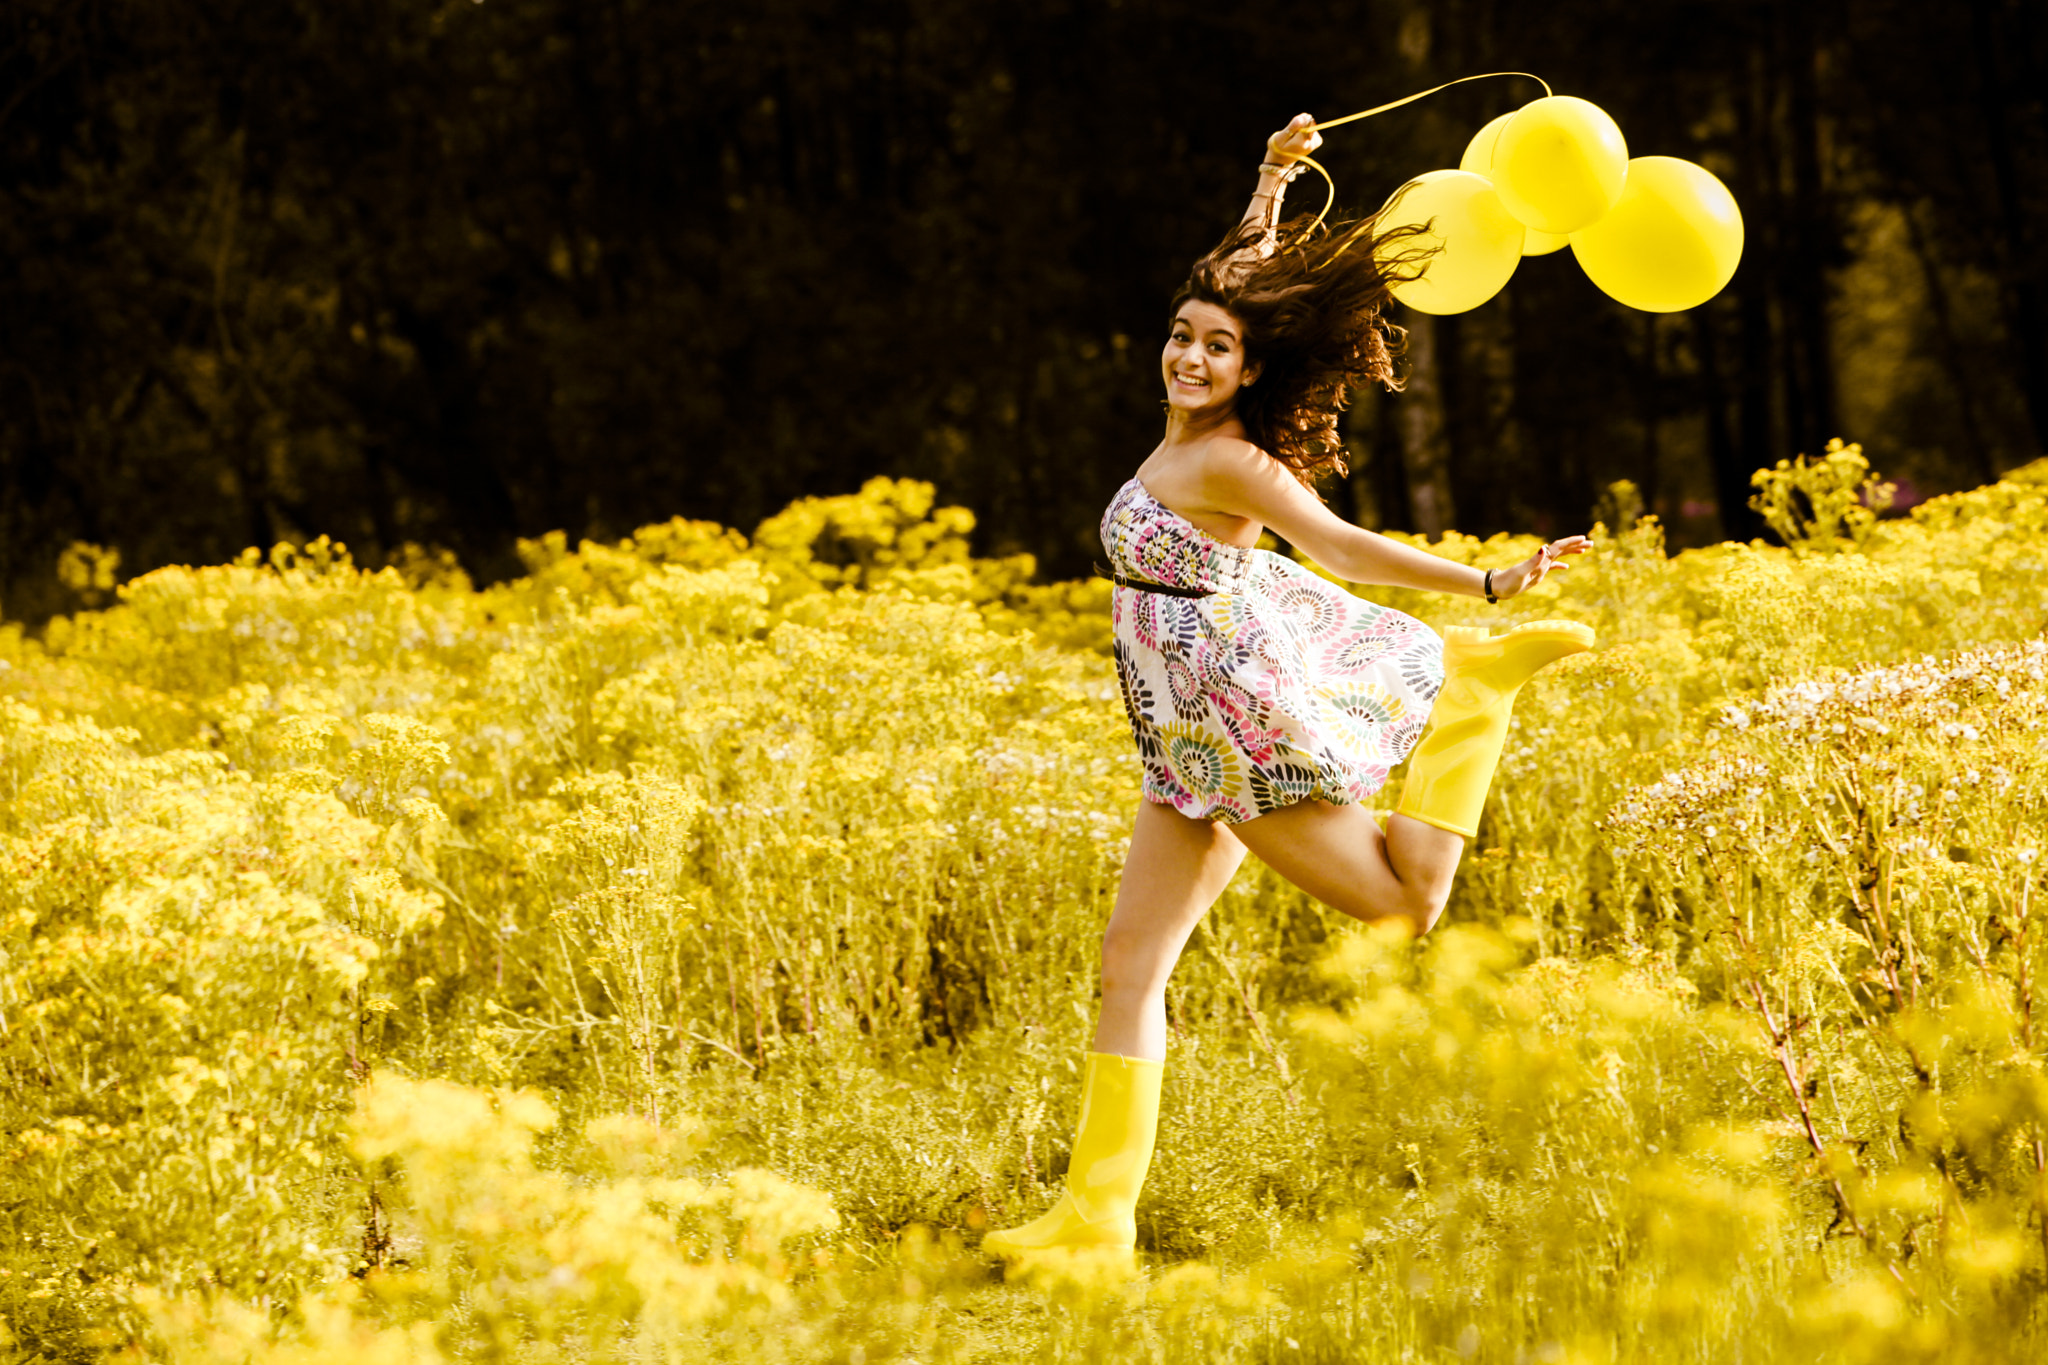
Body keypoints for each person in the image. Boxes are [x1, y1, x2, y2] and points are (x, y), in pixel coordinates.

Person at [981, 115, 1595, 1263]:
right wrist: (1268, 181)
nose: (1188, 358)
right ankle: (1094, 1226)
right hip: (1180, 742)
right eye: (1180, 336)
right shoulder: (1181, 438)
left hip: (1231, 731)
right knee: (1129, 964)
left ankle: (1475, 699)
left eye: (1216, 348)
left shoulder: (1227, 460)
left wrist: (1485, 584)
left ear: (1249, 370)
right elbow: (1239, 277)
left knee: (1403, 907)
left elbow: (1340, 546)